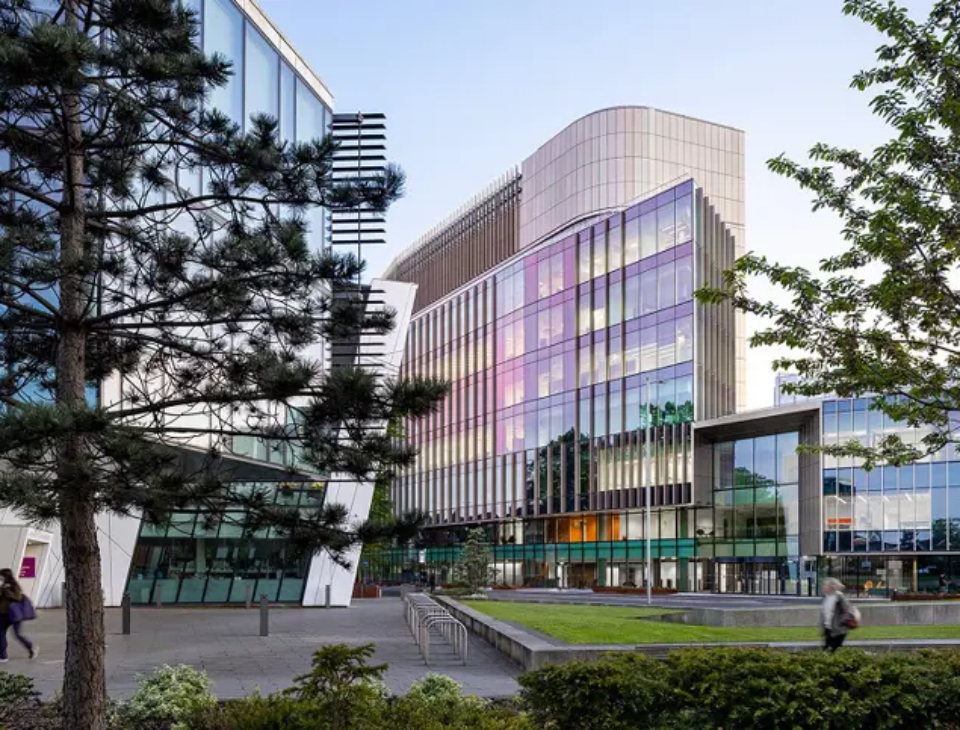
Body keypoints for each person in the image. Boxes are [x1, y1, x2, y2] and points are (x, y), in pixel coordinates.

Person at [0, 568, 36, 662]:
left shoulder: (13, 585)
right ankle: (3, 656)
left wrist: (6, 591)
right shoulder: (3, 586)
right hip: (3, 614)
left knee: (17, 635)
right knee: (1, 634)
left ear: (5, 576)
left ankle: (30, 647)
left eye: (1, 576)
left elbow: (18, 597)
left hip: (13, 615)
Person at [821, 577, 858, 652]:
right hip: (829, 628)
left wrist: (840, 622)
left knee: (832, 650)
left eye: (825, 585)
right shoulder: (827, 597)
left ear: (831, 587)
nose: (823, 587)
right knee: (827, 649)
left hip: (838, 630)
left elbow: (848, 611)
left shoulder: (839, 597)